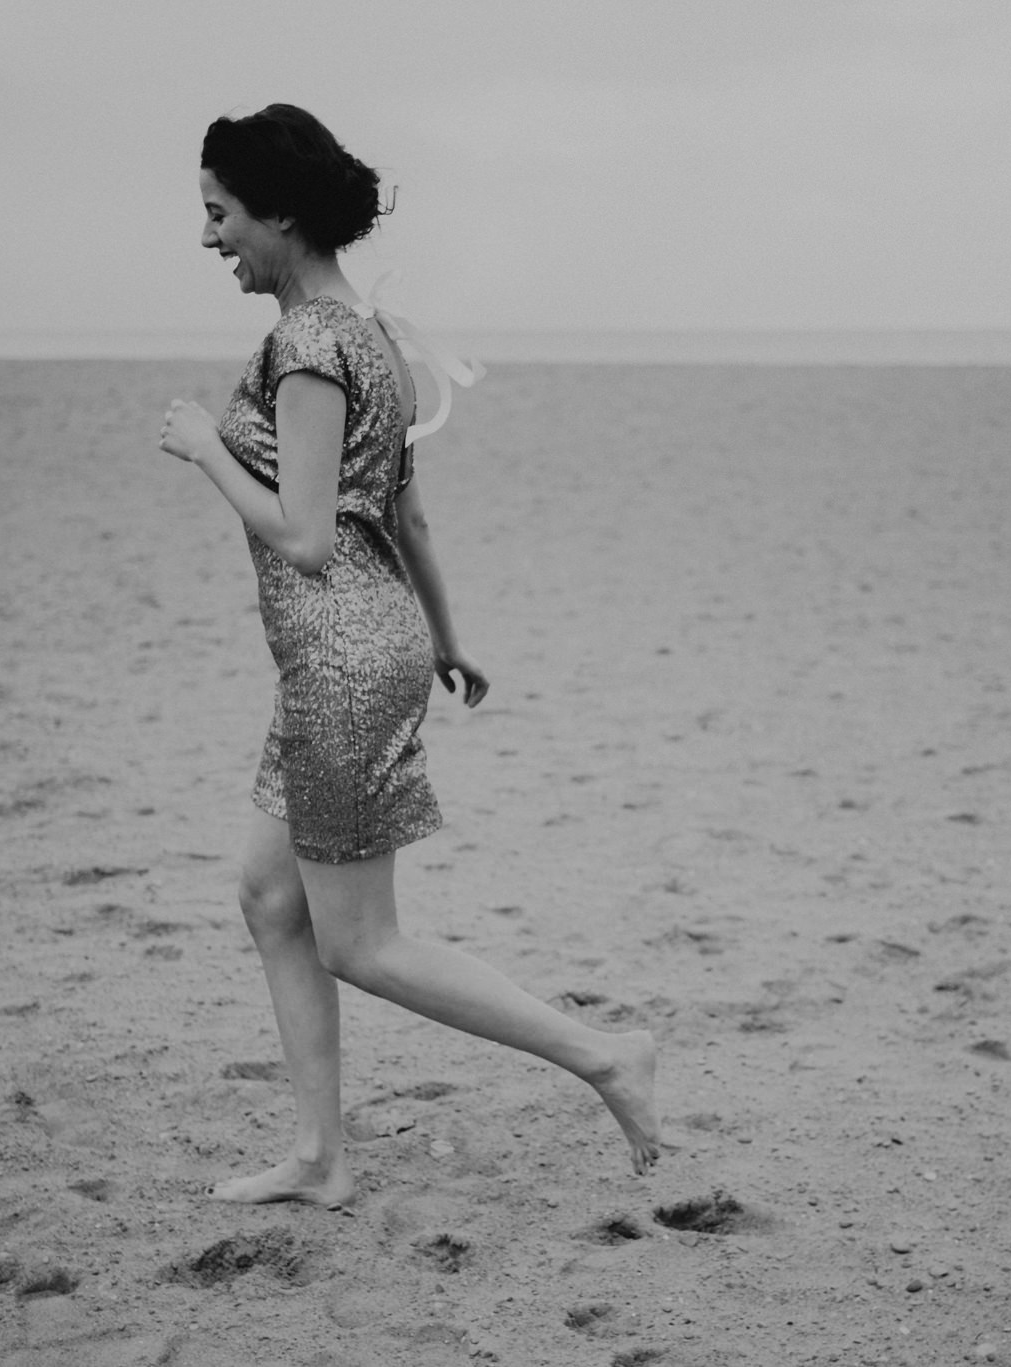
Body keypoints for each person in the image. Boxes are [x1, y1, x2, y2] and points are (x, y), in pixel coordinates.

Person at [157, 105, 659, 1206]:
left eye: (219, 214)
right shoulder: (369, 332)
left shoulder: (306, 343)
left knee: (362, 942)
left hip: (339, 656)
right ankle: (320, 1156)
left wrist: (204, 447)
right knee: (268, 895)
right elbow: (407, 515)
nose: (209, 239)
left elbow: (305, 533)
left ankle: (604, 1055)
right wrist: (441, 636)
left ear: (277, 213)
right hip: (356, 647)